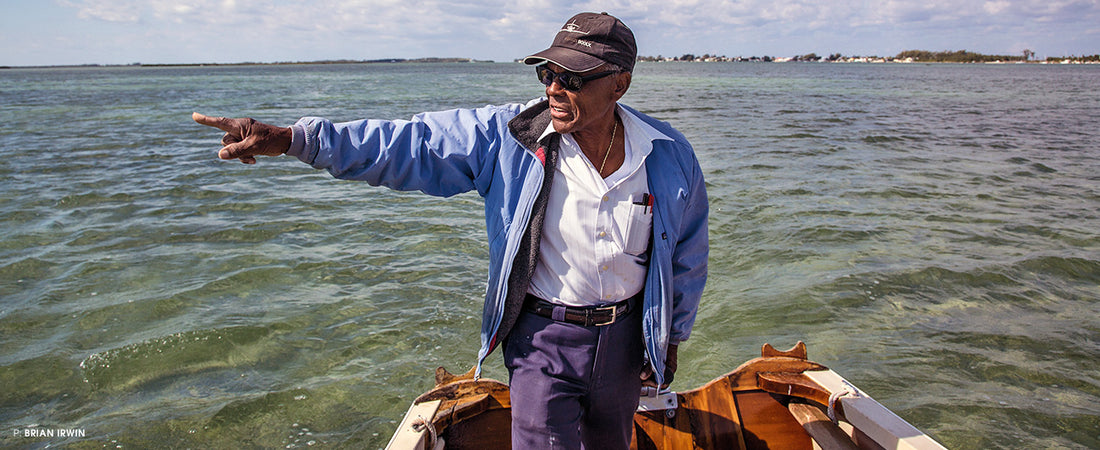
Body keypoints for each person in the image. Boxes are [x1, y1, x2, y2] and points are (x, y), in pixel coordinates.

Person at [193, 12, 707, 449]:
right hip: (542, 339)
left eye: (573, 78)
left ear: (620, 82)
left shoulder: (667, 154)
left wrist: (672, 335)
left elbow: (686, 252)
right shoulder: (508, 138)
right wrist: (294, 140)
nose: (554, 87)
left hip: (625, 340)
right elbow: (406, 145)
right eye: (548, 73)